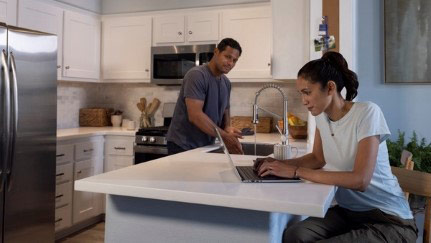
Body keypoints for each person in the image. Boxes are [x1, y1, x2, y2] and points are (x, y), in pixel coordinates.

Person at [255, 52, 418, 242]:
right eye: (301, 93)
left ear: (330, 87)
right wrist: (278, 163)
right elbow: (317, 158)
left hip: (389, 220)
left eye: (307, 92)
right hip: (348, 213)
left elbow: (360, 180)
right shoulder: (321, 117)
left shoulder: (367, 113)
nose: (303, 100)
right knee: (294, 235)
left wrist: (295, 171)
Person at [166, 38, 243, 155]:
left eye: (235, 60)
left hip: (205, 146)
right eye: (227, 57)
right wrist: (225, 137)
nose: (230, 63)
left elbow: (225, 110)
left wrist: (227, 128)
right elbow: (195, 115)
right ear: (216, 52)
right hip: (183, 145)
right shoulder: (197, 75)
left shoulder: (226, 82)